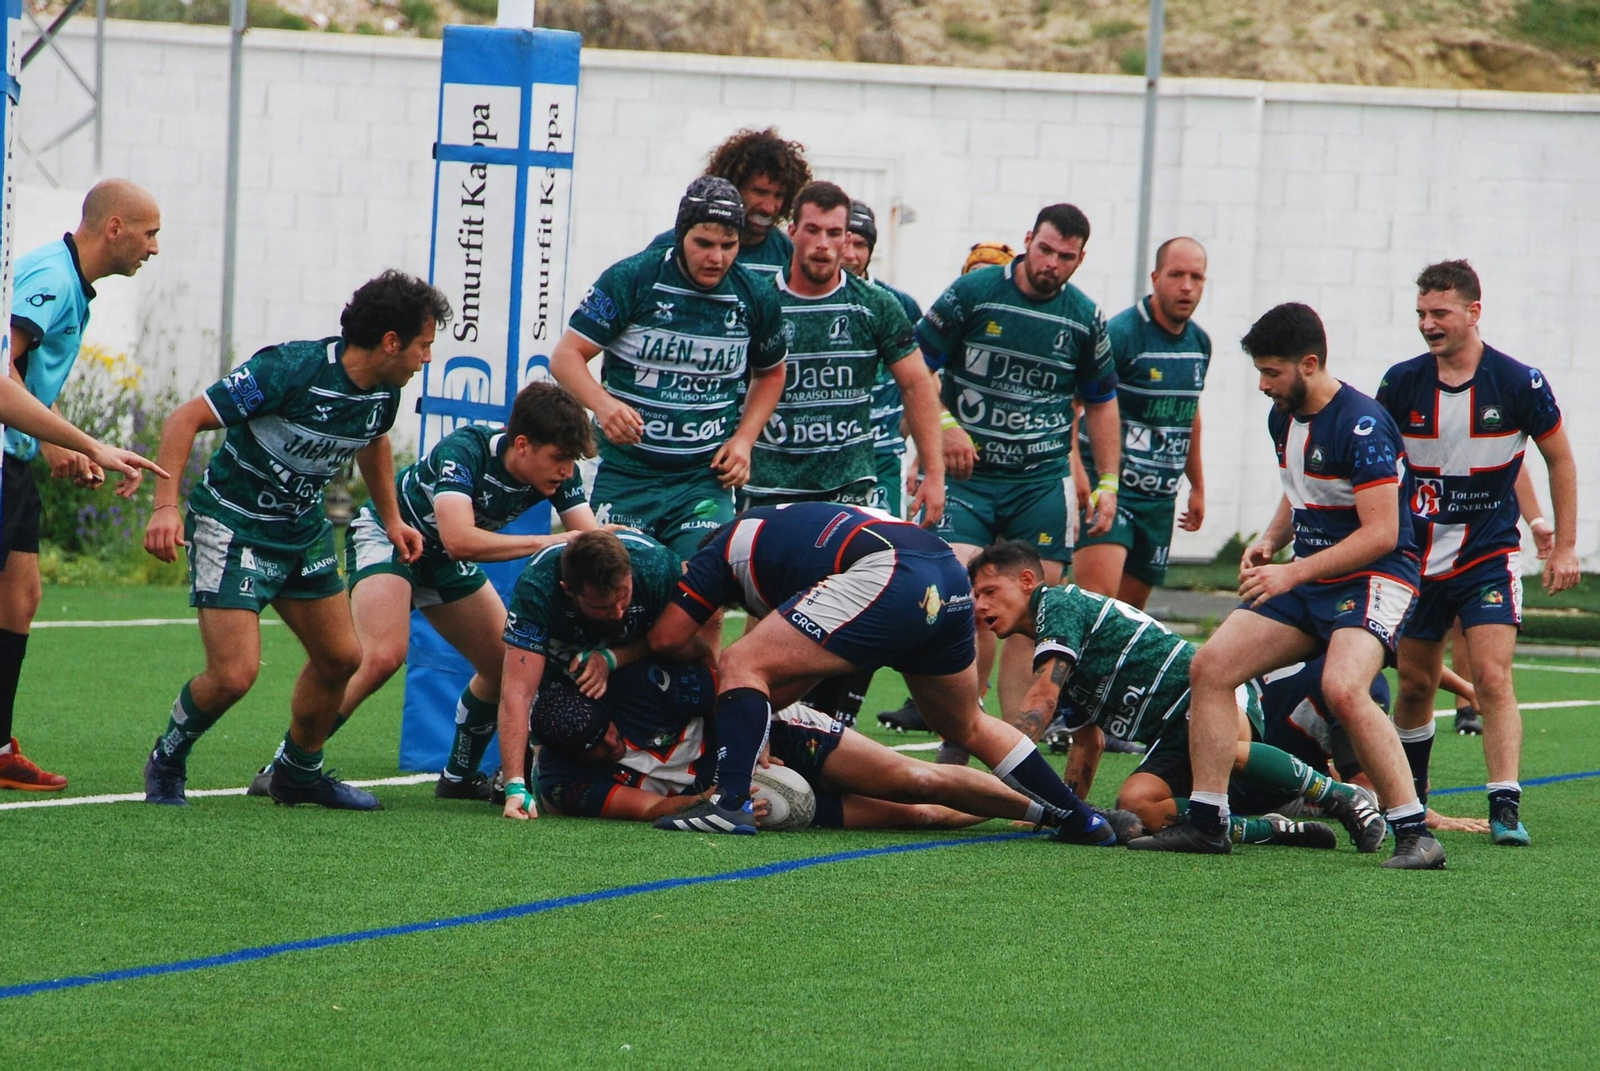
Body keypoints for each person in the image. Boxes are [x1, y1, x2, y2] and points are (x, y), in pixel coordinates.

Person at [1137, 302, 1444, 868]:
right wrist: (1269, 539)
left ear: (1309, 363)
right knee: (1209, 669)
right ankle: (1209, 823)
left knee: (1345, 688)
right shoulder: (1285, 414)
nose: (1262, 385)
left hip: (1375, 576)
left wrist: (1293, 570)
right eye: (1259, 371)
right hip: (1312, 576)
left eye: (1271, 372)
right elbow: (1297, 487)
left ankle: (1415, 832)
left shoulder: (1365, 425)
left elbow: (1383, 533)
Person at [140, 271, 449, 809]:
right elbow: (184, 418)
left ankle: (297, 773)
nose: (427, 358)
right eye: (423, 346)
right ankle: (167, 758)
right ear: (391, 342)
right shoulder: (289, 369)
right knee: (234, 675)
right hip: (233, 525)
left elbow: (371, 442)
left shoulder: (384, 392)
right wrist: (165, 508)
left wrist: (392, 518)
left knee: (341, 658)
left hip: (302, 533)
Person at [645, 501, 1118, 844]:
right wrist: (753, 716)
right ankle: (1080, 817)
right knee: (967, 726)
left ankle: (729, 804)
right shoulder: (783, 535)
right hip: (947, 576)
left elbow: (666, 638)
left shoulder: (720, 549)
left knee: (740, 660)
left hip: (891, 572)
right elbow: (806, 668)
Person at [244, 382, 602, 801]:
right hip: (391, 537)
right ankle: (287, 763)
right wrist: (550, 542)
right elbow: (460, 540)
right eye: (559, 457)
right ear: (522, 444)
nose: (565, 469)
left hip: (443, 562)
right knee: (380, 656)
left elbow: (589, 539)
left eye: (571, 460)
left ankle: (459, 777)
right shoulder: (466, 451)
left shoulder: (561, 475)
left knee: (506, 663)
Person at [969, 541, 1383, 851]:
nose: (978, 605)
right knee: (1137, 805)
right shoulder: (1052, 641)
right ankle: (1273, 828)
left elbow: (1042, 700)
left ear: (1026, 581)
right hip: (1172, 731)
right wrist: (1068, 812)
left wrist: (1001, 768)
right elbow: (1086, 742)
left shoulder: (1056, 605)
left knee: (1225, 746)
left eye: (988, 591)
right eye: (974, 596)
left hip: (1206, 695)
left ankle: (1342, 796)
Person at [1376, 260, 1579, 847]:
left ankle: (1505, 805)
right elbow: (1369, 463)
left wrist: (1562, 544)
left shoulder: (1518, 382)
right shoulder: (1401, 383)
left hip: (1487, 554)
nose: (1427, 324)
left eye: (1439, 313)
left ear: (1473, 312)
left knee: (1491, 674)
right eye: (1420, 313)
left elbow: (1558, 458)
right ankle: (1413, 798)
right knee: (1413, 684)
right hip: (1414, 559)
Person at [914, 204, 1122, 763]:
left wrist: (1107, 481)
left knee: (1033, 611)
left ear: (1081, 260)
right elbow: (914, 368)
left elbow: (1102, 404)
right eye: (1046, 250)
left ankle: (1013, 752)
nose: (1053, 264)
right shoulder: (974, 293)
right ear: (1028, 240)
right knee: (962, 592)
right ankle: (961, 732)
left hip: (1040, 482)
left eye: (1067, 258)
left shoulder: (1084, 317)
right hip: (968, 477)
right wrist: (946, 427)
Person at [0, 179, 161, 791]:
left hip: (14, 460)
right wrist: (75, 441)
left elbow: (26, 374)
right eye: (149, 234)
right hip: (3, 459)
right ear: (114, 227)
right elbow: (3, 363)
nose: (154, 248)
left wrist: (58, 438)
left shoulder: (74, 283)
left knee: (21, 597)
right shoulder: (52, 278)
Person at [532, 660, 1100, 833]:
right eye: (597, 750)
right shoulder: (563, 779)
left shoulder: (634, 688)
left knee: (916, 779)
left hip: (782, 737)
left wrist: (749, 752)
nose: (611, 746)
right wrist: (715, 801)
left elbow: (732, 687)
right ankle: (1033, 818)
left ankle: (1065, 811)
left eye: (607, 732)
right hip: (764, 797)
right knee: (921, 814)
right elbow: (652, 808)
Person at [550, 177, 787, 561]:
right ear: (681, 236)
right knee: (615, 586)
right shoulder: (634, 278)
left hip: (701, 479)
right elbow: (566, 357)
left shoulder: (754, 294)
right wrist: (604, 405)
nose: (717, 258)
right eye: (704, 244)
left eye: (729, 246)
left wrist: (744, 439)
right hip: (623, 471)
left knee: (700, 592)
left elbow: (772, 373)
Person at [744, 182, 943, 520]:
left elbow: (916, 384)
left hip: (848, 489)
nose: (823, 244)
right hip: (769, 486)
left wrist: (934, 474)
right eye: (813, 230)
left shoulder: (875, 304)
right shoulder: (760, 300)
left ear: (846, 239)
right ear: (792, 231)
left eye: (834, 233)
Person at [495, 528, 688, 820]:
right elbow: (517, 692)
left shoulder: (657, 567)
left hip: (646, 660)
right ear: (567, 590)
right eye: (602, 606)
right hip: (564, 672)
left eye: (625, 596)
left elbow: (689, 643)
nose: (619, 612)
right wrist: (514, 785)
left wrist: (613, 657)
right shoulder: (538, 587)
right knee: (551, 783)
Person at [1071, 237, 1210, 610]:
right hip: (1112, 489)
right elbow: (1074, 404)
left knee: (1127, 623)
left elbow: (1190, 413)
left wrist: (1197, 485)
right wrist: (1077, 472)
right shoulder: (1121, 334)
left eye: (1196, 277)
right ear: (1155, 277)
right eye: (1176, 274)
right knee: (1095, 611)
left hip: (1160, 502)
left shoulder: (1200, 343)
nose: (1186, 286)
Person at [1249, 655, 1491, 834]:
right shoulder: (1359, 682)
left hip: (1223, 763)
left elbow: (1410, 656)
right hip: (1256, 791)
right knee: (1371, 792)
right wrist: (1418, 809)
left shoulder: (1303, 637)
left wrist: (1465, 689)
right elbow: (1361, 782)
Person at [840, 199, 925, 518]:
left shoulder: (898, 304)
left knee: (882, 545)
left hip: (882, 456)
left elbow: (922, 381)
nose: (850, 254)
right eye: (845, 241)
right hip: (825, 454)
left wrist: (899, 433)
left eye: (860, 244)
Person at [647, 127, 812, 279]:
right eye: (759, 192)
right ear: (732, 186)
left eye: (779, 195)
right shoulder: (668, 247)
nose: (769, 208)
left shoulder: (788, 254)